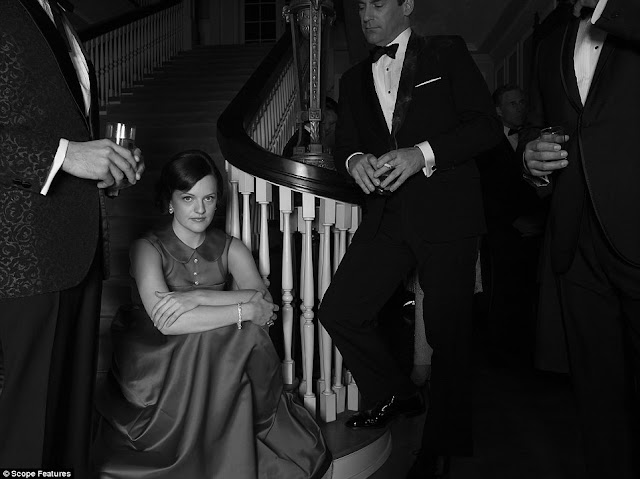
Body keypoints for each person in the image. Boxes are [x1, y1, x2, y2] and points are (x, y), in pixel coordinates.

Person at [318, 0, 502, 477]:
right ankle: (397, 395)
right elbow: (345, 144)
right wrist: (355, 160)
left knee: (447, 336)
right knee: (339, 310)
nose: (365, 14)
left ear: (406, 5)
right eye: (361, 5)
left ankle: (441, 448)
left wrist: (422, 154)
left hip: (447, 213)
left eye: (377, 2)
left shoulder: (446, 52)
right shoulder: (352, 79)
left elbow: (485, 126)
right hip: (387, 217)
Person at [91, 150, 332, 479]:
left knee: (239, 335)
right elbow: (168, 322)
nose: (200, 209)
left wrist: (198, 296)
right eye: (188, 198)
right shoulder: (146, 247)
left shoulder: (230, 246)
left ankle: (227, 440)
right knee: (217, 335)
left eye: (209, 198)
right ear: (170, 201)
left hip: (215, 351)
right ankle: (200, 450)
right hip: (155, 353)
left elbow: (264, 303)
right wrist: (243, 308)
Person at [0, 0, 144, 475]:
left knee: (70, 422)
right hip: (24, 258)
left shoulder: (61, 17)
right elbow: (62, 147)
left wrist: (106, 167)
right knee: (27, 428)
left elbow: (62, 123)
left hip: (79, 247)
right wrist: (65, 157)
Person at [524, 0, 640, 477]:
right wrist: (530, 159)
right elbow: (535, 124)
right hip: (575, 238)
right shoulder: (548, 43)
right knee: (596, 392)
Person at [475, 84, 548, 368]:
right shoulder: (485, 142)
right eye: (513, 103)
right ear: (498, 110)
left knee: (529, 292)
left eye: (522, 102)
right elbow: (485, 191)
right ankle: (499, 354)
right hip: (500, 233)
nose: (520, 107)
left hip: (534, 230)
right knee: (500, 293)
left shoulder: (534, 137)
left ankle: (527, 352)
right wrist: (512, 222)